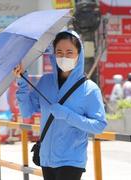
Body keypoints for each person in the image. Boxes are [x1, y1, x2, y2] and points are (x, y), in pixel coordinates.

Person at [13, 30, 107, 180]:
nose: (64, 57)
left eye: (69, 52)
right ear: (53, 54)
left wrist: (67, 115)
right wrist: (22, 82)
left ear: (79, 54)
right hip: (46, 159)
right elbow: (26, 111)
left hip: (71, 160)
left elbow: (99, 126)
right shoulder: (45, 82)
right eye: (59, 52)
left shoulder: (89, 89)